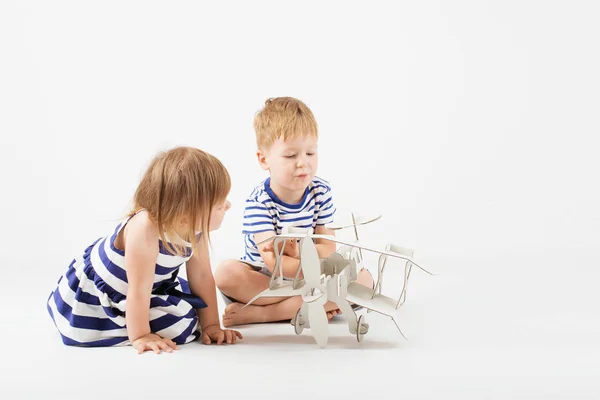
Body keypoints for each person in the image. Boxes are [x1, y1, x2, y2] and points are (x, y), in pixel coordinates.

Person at [47, 146, 242, 353]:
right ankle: (127, 325)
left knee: (189, 316)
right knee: (179, 329)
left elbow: (202, 277)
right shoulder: (145, 228)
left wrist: (211, 325)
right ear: (186, 214)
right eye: (220, 204)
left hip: (150, 287)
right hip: (110, 293)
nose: (228, 205)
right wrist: (140, 335)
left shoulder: (195, 228)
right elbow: (138, 288)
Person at [214, 97, 374, 327]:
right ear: (264, 159)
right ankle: (311, 304)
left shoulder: (321, 191)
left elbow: (328, 249)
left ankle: (267, 314)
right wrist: (313, 276)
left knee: (365, 281)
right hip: (267, 282)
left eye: (310, 153)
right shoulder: (260, 201)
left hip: (309, 273)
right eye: (290, 156)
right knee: (225, 273)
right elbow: (274, 265)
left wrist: (298, 252)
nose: (303, 163)